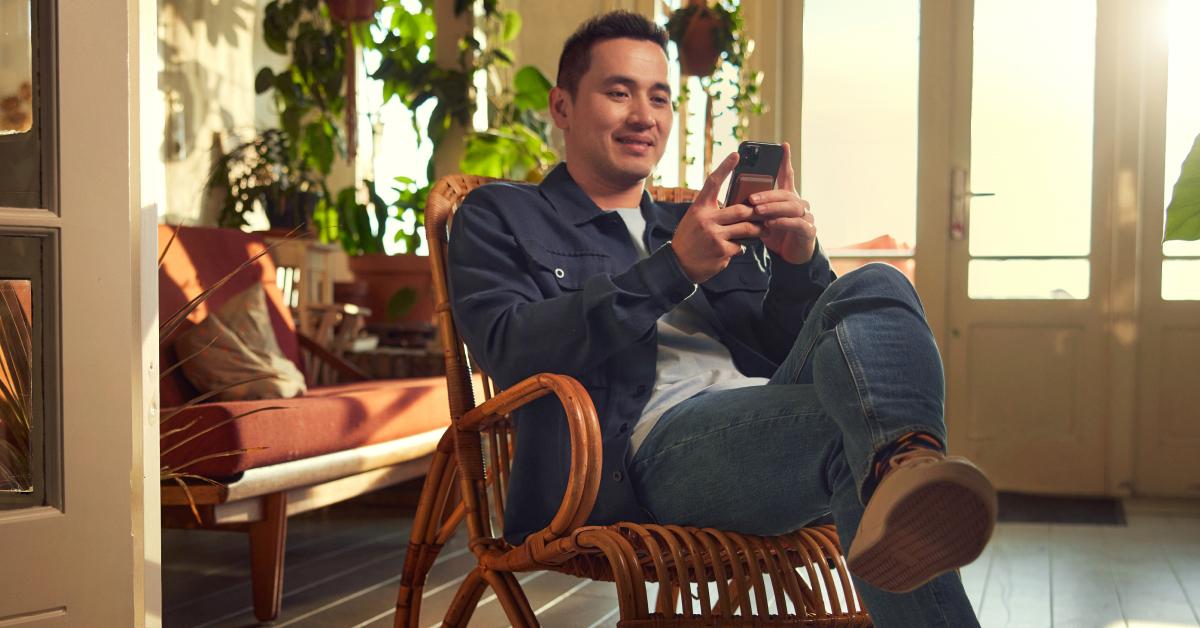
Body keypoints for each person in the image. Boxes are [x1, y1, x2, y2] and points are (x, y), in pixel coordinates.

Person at [446, 10, 995, 626]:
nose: (643, 116)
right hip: (643, 456)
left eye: (658, 97)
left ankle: (907, 464)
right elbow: (508, 348)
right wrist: (672, 269)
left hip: (760, 418)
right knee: (854, 439)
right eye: (618, 91)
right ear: (563, 106)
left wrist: (796, 264)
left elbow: (801, 354)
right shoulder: (501, 216)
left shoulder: (695, 223)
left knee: (877, 283)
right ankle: (897, 465)